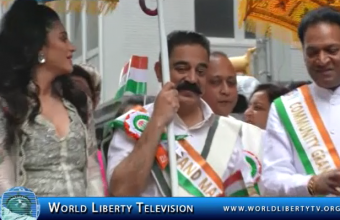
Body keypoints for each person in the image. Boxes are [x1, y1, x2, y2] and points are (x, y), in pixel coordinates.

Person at [107, 31, 254, 197]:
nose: (192, 79)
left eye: (200, 71)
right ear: (159, 71)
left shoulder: (230, 132)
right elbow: (120, 193)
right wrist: (157, 122)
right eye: (182, 69)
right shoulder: (132, 125)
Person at [0, 0, 103, 196]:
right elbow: (3, 180)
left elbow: (92, 173)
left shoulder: (78, 101)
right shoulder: (7, 105)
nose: (72, 47)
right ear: (40, 47)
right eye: (63, 39)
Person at [262, 7, 340, 196]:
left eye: (332, 50)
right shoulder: (285, 107)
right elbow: (271, 181)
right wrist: (311, 184)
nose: (322, 60)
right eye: (312, 52)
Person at [202, 51, 264, 195]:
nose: (226, 90)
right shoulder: (180, 135)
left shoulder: (256, 136)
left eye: (231, 83)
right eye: (216, 82)